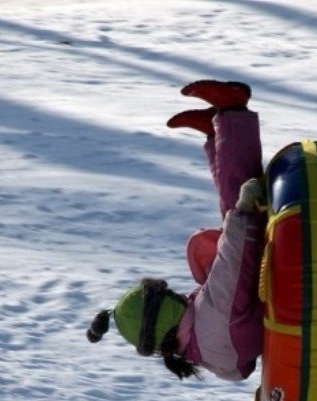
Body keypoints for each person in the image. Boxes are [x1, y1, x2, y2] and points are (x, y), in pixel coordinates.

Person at [86, 80, 266, 382]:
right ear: (161, 314)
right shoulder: (211, 322)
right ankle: (231, 115)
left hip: (256, 298)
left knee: (220, 239)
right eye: (168, 295)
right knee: (234, 217)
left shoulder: (198, 339)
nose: (175, 292)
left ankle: (219, 133)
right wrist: (243, 214)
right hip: (269, 279)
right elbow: (234, 266)